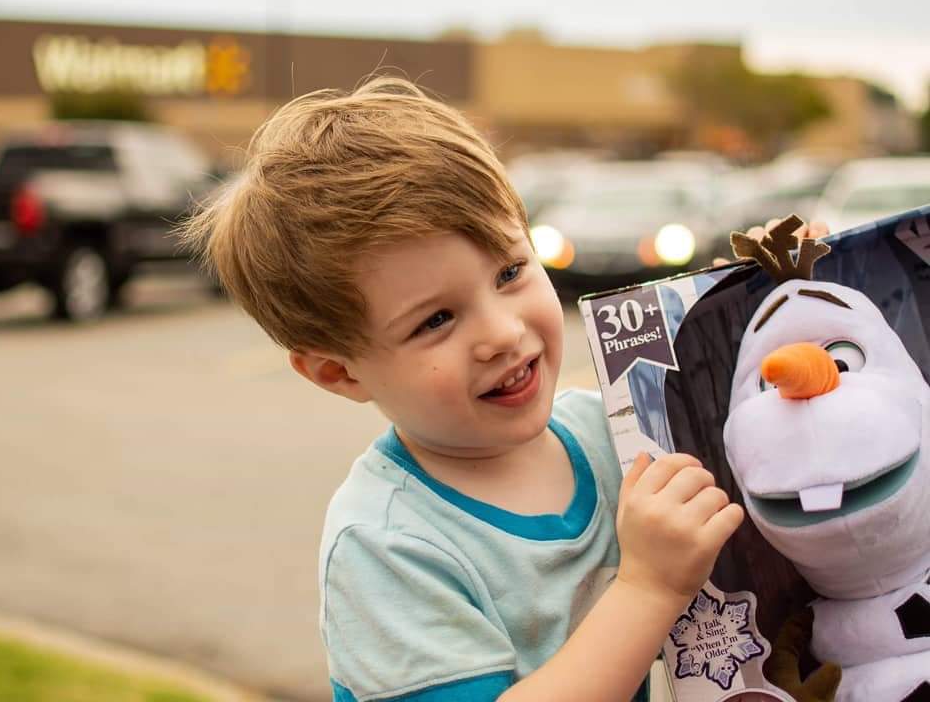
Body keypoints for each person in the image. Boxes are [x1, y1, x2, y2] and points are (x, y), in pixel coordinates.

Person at [182, 76, 746, 702]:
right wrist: (648, 588)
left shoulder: (610, 432)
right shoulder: (388, 545)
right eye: (436, 320)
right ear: (339, 372)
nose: (502, 333)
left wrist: (766, 305)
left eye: (510, 271)